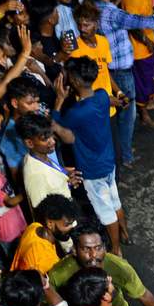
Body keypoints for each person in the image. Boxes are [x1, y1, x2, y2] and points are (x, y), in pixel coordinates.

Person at [52, 56, 127, 255]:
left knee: (106, 213)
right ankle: (125, 233)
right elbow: (111, 100)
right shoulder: (102, 96)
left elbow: (58, 129)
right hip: (109, 162)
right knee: (115, 201)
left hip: (92, 171)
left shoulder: (75, 112)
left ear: (75, 81)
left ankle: (116, 250)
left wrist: (58, 101)